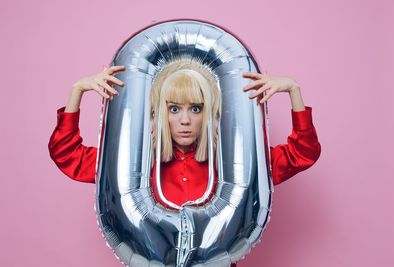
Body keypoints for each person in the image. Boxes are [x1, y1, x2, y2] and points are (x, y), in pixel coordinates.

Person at [48, 62, 321, 267]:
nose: (185, 120)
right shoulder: (136, 168)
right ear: (159, 112)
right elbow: (66, 154)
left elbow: (302, 153)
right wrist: (78, 91)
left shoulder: (232, 168)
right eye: (174, 108)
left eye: (196, 108)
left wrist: (293, 92)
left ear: (209, 112)